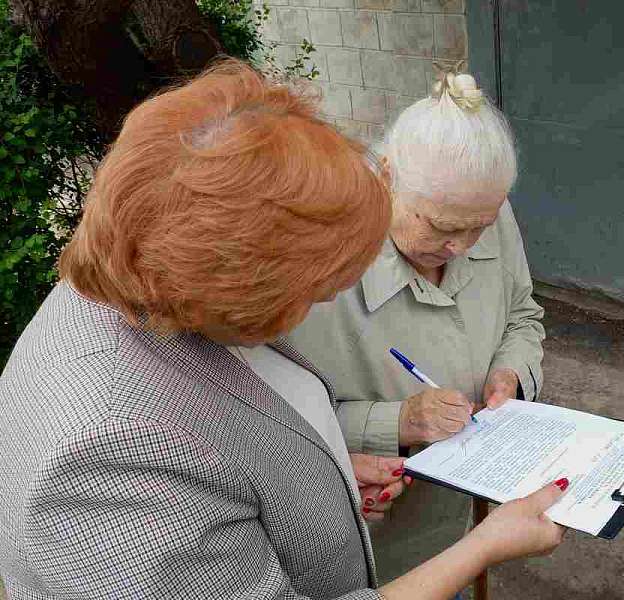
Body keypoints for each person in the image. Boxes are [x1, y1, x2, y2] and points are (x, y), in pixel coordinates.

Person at [0, 60, 566, 600]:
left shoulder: (149, 279)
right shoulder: (107, 456)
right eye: (316, 292)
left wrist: (333, 484)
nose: (324, 302)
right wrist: (482, 547)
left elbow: (257, 452)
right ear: (240, 283)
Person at [288, 67, 545, 582]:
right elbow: (273, 425)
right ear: (386, 177)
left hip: (465, 515)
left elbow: (523, 313)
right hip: (375, 548)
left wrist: (511, 373)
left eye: (482, 226)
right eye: (444, 227)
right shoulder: (316, 268)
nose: (464, 246)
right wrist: (398, 422)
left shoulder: (479, 206)